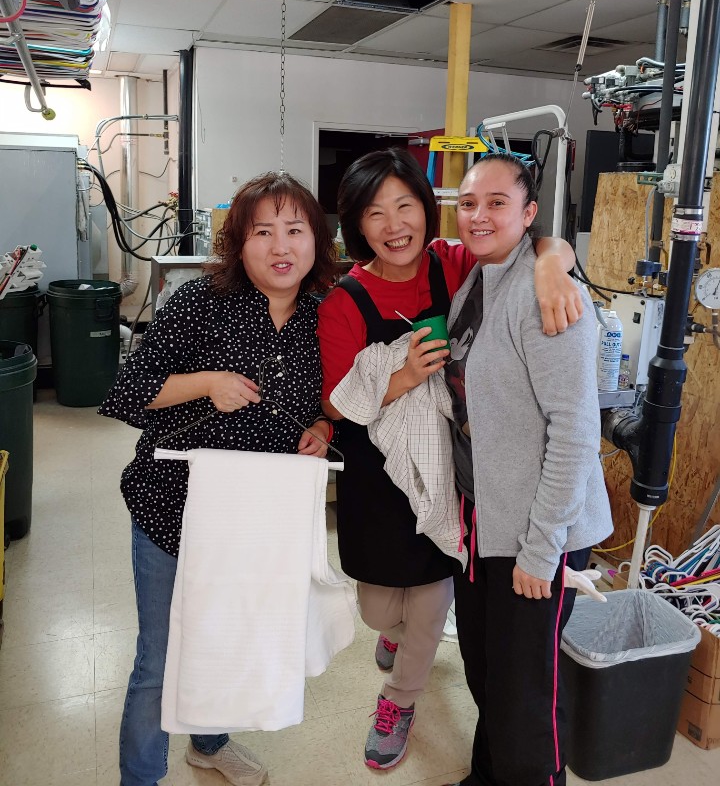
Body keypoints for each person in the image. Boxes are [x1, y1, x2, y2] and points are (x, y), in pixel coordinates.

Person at [318, 147, 582, 771]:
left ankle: (400, 699)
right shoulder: (344, 300)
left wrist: (554, 262)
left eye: (405, 205)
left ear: (425, 209)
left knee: (436, 610)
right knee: (382, 608)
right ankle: (398, 638)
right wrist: (405, 376)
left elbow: (526, 245)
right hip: (381, 478)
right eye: (375, 213)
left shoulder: (452, 262)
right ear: (356, 224)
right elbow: (336, 403)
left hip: (453, 482)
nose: (394, 225)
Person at [98, 172, 337, 786]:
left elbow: (331, 401)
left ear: (316, 240)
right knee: (158, 659)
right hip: (171, 511)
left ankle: (208, 742)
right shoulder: (198, 303)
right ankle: (140, 778)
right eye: (263, 232)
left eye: (295, 230)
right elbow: (127, 393)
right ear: (238, 242)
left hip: (255, 520)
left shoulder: (325, 316)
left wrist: (321, 427)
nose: (280, 246)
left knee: (224, 634)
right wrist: (207, 383)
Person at [442, 153, 613, 786]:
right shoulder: (479, 280)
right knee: (487, 673)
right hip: (483, 521)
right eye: (469, 203)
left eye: (497, 202)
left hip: (537, 532)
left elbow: (575, 432)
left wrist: (542, 551)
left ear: (529, 211)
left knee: (525, 701)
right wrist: (548, 252)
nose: (479, 215)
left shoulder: (551, 298)